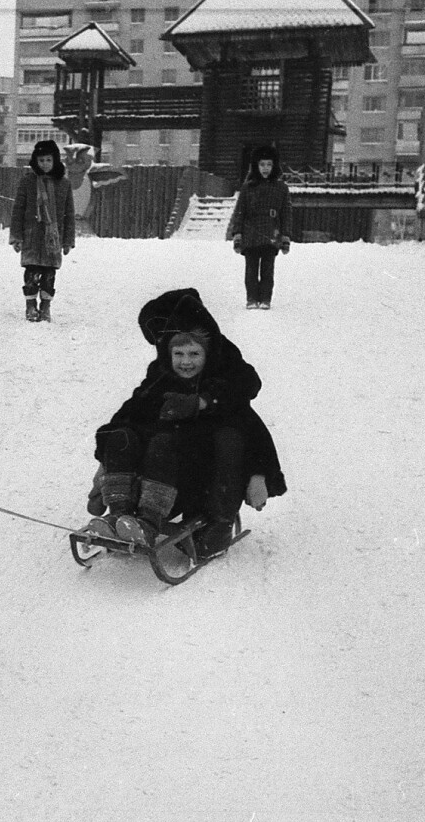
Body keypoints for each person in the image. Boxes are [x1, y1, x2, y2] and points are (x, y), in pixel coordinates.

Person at [86, 289, 286, 557]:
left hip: (201, 481)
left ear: (207, 353)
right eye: (178, 353)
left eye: (194, 354)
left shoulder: (225, 384)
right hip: (160, 477)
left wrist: (259, 475)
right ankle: (119, 515)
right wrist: (106, 461)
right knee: (125, 433)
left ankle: (202, 523)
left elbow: (252, 428)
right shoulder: (162, 377)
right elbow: (132, 412)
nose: (186, 362)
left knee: (187, 440)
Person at [9, 139, 76, 322]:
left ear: (55, 160)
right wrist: (16, 237)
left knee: (48, 275)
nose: (44, 164)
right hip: (31, 236)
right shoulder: (28, 181)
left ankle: (45, 306)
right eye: (41, 160)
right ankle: (30, 306)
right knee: (31, 273)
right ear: (35, 161)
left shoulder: (63, 183)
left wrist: (68, 240)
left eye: (48, 160)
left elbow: (69, 214)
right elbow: (18, 210)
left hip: (53, 238)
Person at [227, 144, 293, 310]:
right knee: (251, 270)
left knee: (267, 270)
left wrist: (285, 236)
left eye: (269, 164)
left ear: (274, 166)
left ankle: (265, 299)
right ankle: (251, 298)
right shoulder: (248, 187)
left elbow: (286, 213)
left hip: (272, 233)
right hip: (251, 233)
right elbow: (239, 212)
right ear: (256, 166)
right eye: (262, 164)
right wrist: (237, 234)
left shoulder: (281, 188)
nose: (265, 168)